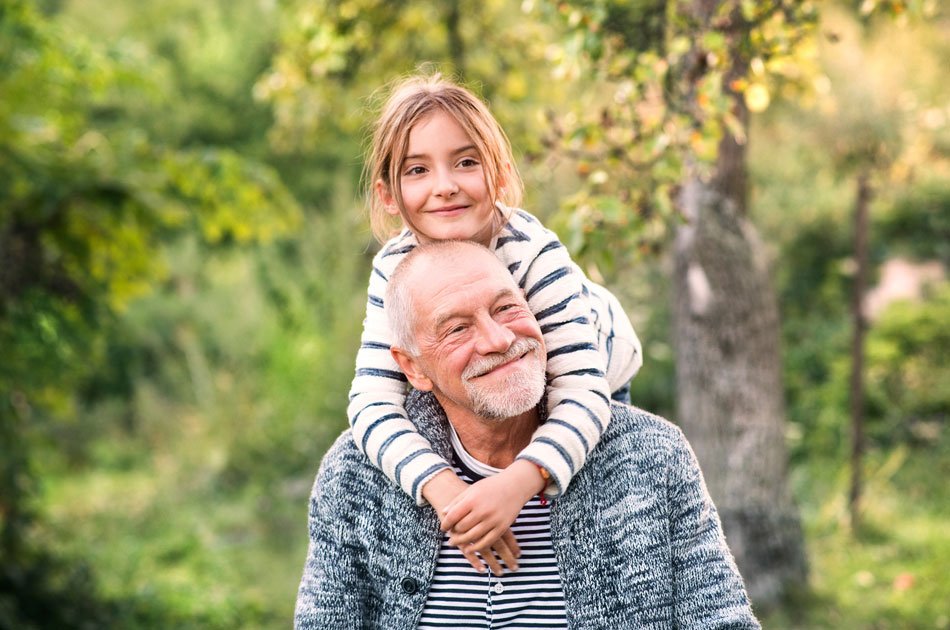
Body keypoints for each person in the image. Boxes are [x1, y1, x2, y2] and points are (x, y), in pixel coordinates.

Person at [296, 240, 760, 629]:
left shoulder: (651, 456)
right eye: (457, 328)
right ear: (413, 367)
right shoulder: (355, 475)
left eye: (506, 307)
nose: (498, 339)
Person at [348, 72, 642, 570]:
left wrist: (517, 483)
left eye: (466, 162)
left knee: (588, 515)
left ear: (500, 174)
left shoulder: (531, 252)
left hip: (592, 379)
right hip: (484, 401)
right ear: (388, 195)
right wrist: (445, 491)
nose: (445, 187)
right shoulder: (394, 270)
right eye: (417, 170)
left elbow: (582, 390)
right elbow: (371, 404)